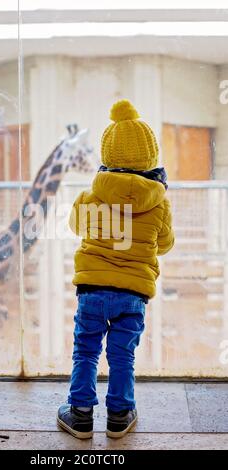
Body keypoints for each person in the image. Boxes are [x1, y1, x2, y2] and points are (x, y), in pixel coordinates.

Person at [57, 99, 175, 439]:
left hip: (92, 292)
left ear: (107, 156)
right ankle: (120, 415)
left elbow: (75, 225)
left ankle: (79, 414)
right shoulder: (159, 204)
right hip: (133, 295)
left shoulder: (90, 197)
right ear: (150, 157)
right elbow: (164, 245)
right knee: (123, 355)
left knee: (86, 350)